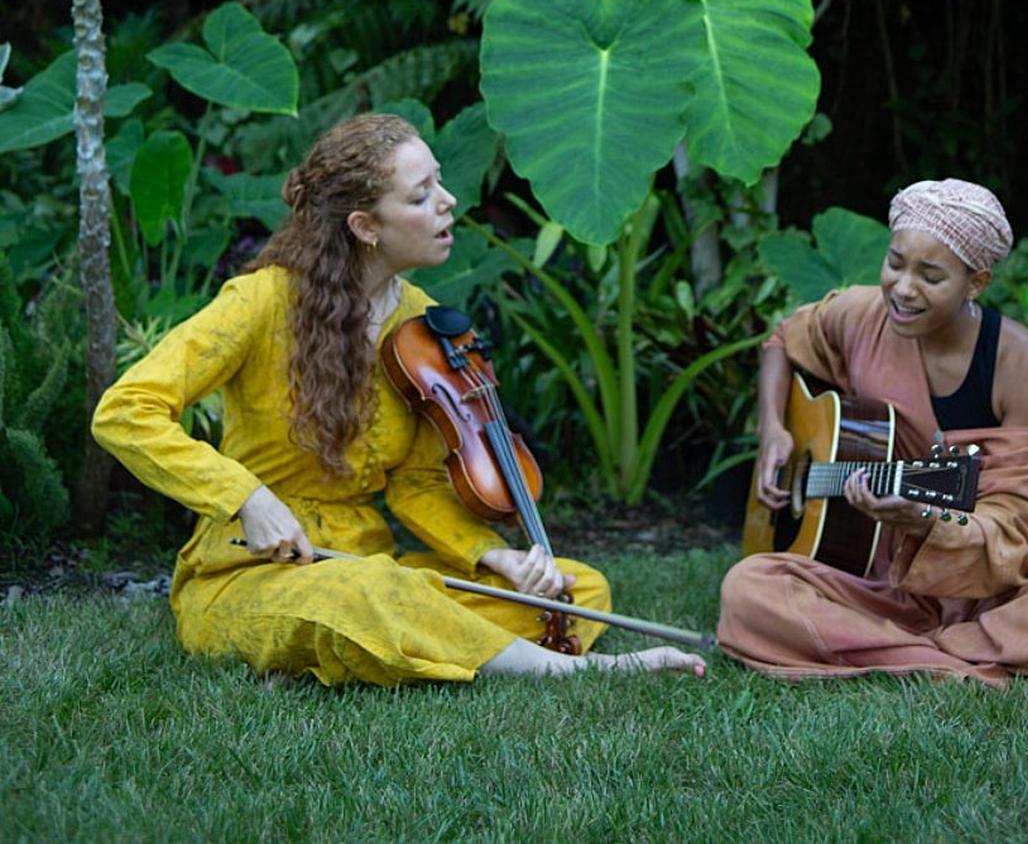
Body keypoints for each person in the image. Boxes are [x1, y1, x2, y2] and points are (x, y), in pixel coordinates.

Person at [92, 113, 705, 684]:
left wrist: (495, 559)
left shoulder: (424, 328)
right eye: (420, 196)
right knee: (364, 597)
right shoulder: (260, 302)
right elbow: (125, 412)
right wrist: (246, 497)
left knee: (575, 586)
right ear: (365, 227)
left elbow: (415, 485)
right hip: (251, 575)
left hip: (370, 565)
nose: (448, 203)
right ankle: (564, 672)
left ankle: (443, 641)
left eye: (439, 183)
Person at [717, 178, 1028, 711]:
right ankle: (975, 672)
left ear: (977, 282)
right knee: (748, 590)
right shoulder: (860, 317)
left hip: (992, 594)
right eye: (895, 263)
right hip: (873, 581)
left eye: (930, 276)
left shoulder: (1026, 368)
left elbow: (1021, 530)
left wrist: (925, 522)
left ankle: (904, 655)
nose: (902, 289)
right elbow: (784, 340)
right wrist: (773, 429)